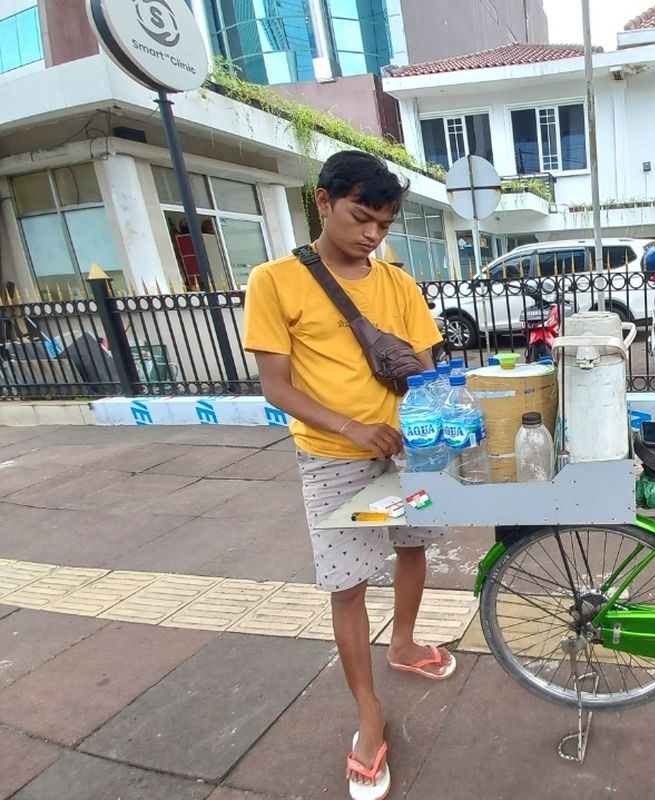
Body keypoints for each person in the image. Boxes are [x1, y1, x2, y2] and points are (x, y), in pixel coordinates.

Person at [243, 150, 451, 800]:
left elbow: (424, 362)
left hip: (408, 446)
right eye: (362, 217)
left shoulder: (397, 283)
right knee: (348, 583)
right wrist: (352, 427)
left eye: (383, 225)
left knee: (414, 545)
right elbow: (276, 386)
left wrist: (448, 404)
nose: (371, 235)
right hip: (333, 456)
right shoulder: (274, 281)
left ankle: (406, 642)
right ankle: (367, 715)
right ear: (324, 202)